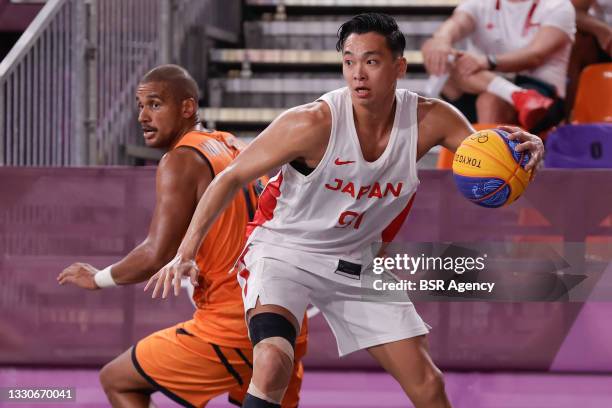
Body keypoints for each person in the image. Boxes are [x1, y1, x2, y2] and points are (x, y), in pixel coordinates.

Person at [146, 14, 545, 408]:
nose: (358, 74)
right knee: (272, 362)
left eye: (371, 61)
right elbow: (230, 178)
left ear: (399, 67)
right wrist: (185, 251)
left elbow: (486, 159)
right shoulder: (312, 123)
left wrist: (525, 152)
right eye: (349, 61)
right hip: (284, 252)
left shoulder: (431, 119)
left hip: (358, 262)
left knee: (428, 384)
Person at [57, 64, 306, 408]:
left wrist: (97, 279)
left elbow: (156, 253)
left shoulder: (181, 159)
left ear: (187, 108)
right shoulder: (232, 143)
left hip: (233, 324)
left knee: (118, 381)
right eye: (139, 106)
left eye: (155, 105)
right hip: (284, 317)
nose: (143, 116)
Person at [421, 0, 575, 132]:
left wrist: (488, 61)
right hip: (477, 84)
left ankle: (486, 161)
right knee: (432, 49)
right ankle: (517, 95)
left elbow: (535, 55)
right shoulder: (480, 3)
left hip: (541, 93)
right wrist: (441, 40)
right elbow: (457, 23)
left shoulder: (558, 5)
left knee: (490, 100)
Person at [566, 0, 612, 113]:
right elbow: (571, 11)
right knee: (576, 40)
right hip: (603, 43)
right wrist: (602, 31)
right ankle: (570, 117)